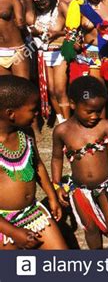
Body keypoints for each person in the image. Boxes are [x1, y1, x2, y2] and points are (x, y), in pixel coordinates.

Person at [52, 76, 108, 249]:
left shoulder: (105, 126)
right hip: (80, 190)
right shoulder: (62, 131)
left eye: (99, 110)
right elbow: (56, 158)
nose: (95, 116)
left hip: (107, 185)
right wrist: (57, 185)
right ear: (72, 104)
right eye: (89, 111)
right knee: (90, 228)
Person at [0, 75, 67, 249]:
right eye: (33, 109)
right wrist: (13, 232)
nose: (37, 113)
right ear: (10, 114)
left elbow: (37, 165)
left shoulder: (26, 134)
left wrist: (52, 197)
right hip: (3, 224)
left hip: (32, 214)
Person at [30, 0, 70, 123]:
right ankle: (61, 122)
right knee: (51, 91)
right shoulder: (36, 12)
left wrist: (57, 33)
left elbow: (74, 29)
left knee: (60, 90)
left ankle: (67, 122)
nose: (42, 6)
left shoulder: (61, 6)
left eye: (44, 2)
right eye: (39, 4)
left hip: (60, 52)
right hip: (44, 53)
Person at [0, 0, 29, 78]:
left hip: (16, 49)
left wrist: (29, 40)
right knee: (4, 90)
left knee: (23, 88)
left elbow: (20, 21)